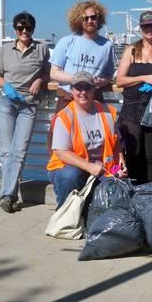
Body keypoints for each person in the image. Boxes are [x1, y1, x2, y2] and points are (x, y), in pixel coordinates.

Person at [0, 11, 51, 213]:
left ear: (33, 29)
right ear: (15, 29)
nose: (24, 31)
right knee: (7, 152)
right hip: (6, 103)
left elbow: (48, 72)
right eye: (20, 28)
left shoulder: (41, 49)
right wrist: (6, 86)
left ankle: (6, 195)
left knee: (20, 150)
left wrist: (39, 80)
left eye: (28, 28)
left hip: (29, 105)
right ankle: (8, 196)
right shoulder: (5, 49)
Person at [47, 71, 128, 207]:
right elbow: (61, 152)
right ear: (72, 90)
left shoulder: (107, 112)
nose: (83, 92)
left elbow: (116, 144)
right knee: (71, 176)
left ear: (94, 89)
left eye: (87, 87)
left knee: (118, 186)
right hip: (68, 167)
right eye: (78, 88)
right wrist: (89, 167)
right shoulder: (65, 117)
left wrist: (120, 166)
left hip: (102, 169)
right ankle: (65, 215)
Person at [46, 0, 116, 153]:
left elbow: (109, 75)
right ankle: (62, 173)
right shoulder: (67, 42)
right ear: (79, 20)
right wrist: (80, 80)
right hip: (68, 97)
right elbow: (54, 73)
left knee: (96, 142)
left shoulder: (108, 46)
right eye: (85, 18)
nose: (89, 20)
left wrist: (101, 81)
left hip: (94, 98)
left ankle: (93, 173)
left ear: (100, 19)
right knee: (59, 141)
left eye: (93, 17)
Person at [115, 11, 152, 184]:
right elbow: (120, 80)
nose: (150, 29)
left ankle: (148, 195)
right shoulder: (131, 50)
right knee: (133, 154)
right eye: (145, 26)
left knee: (150, 156)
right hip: (131, 111)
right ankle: (131, 193)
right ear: (140, 29)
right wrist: (143, 78)